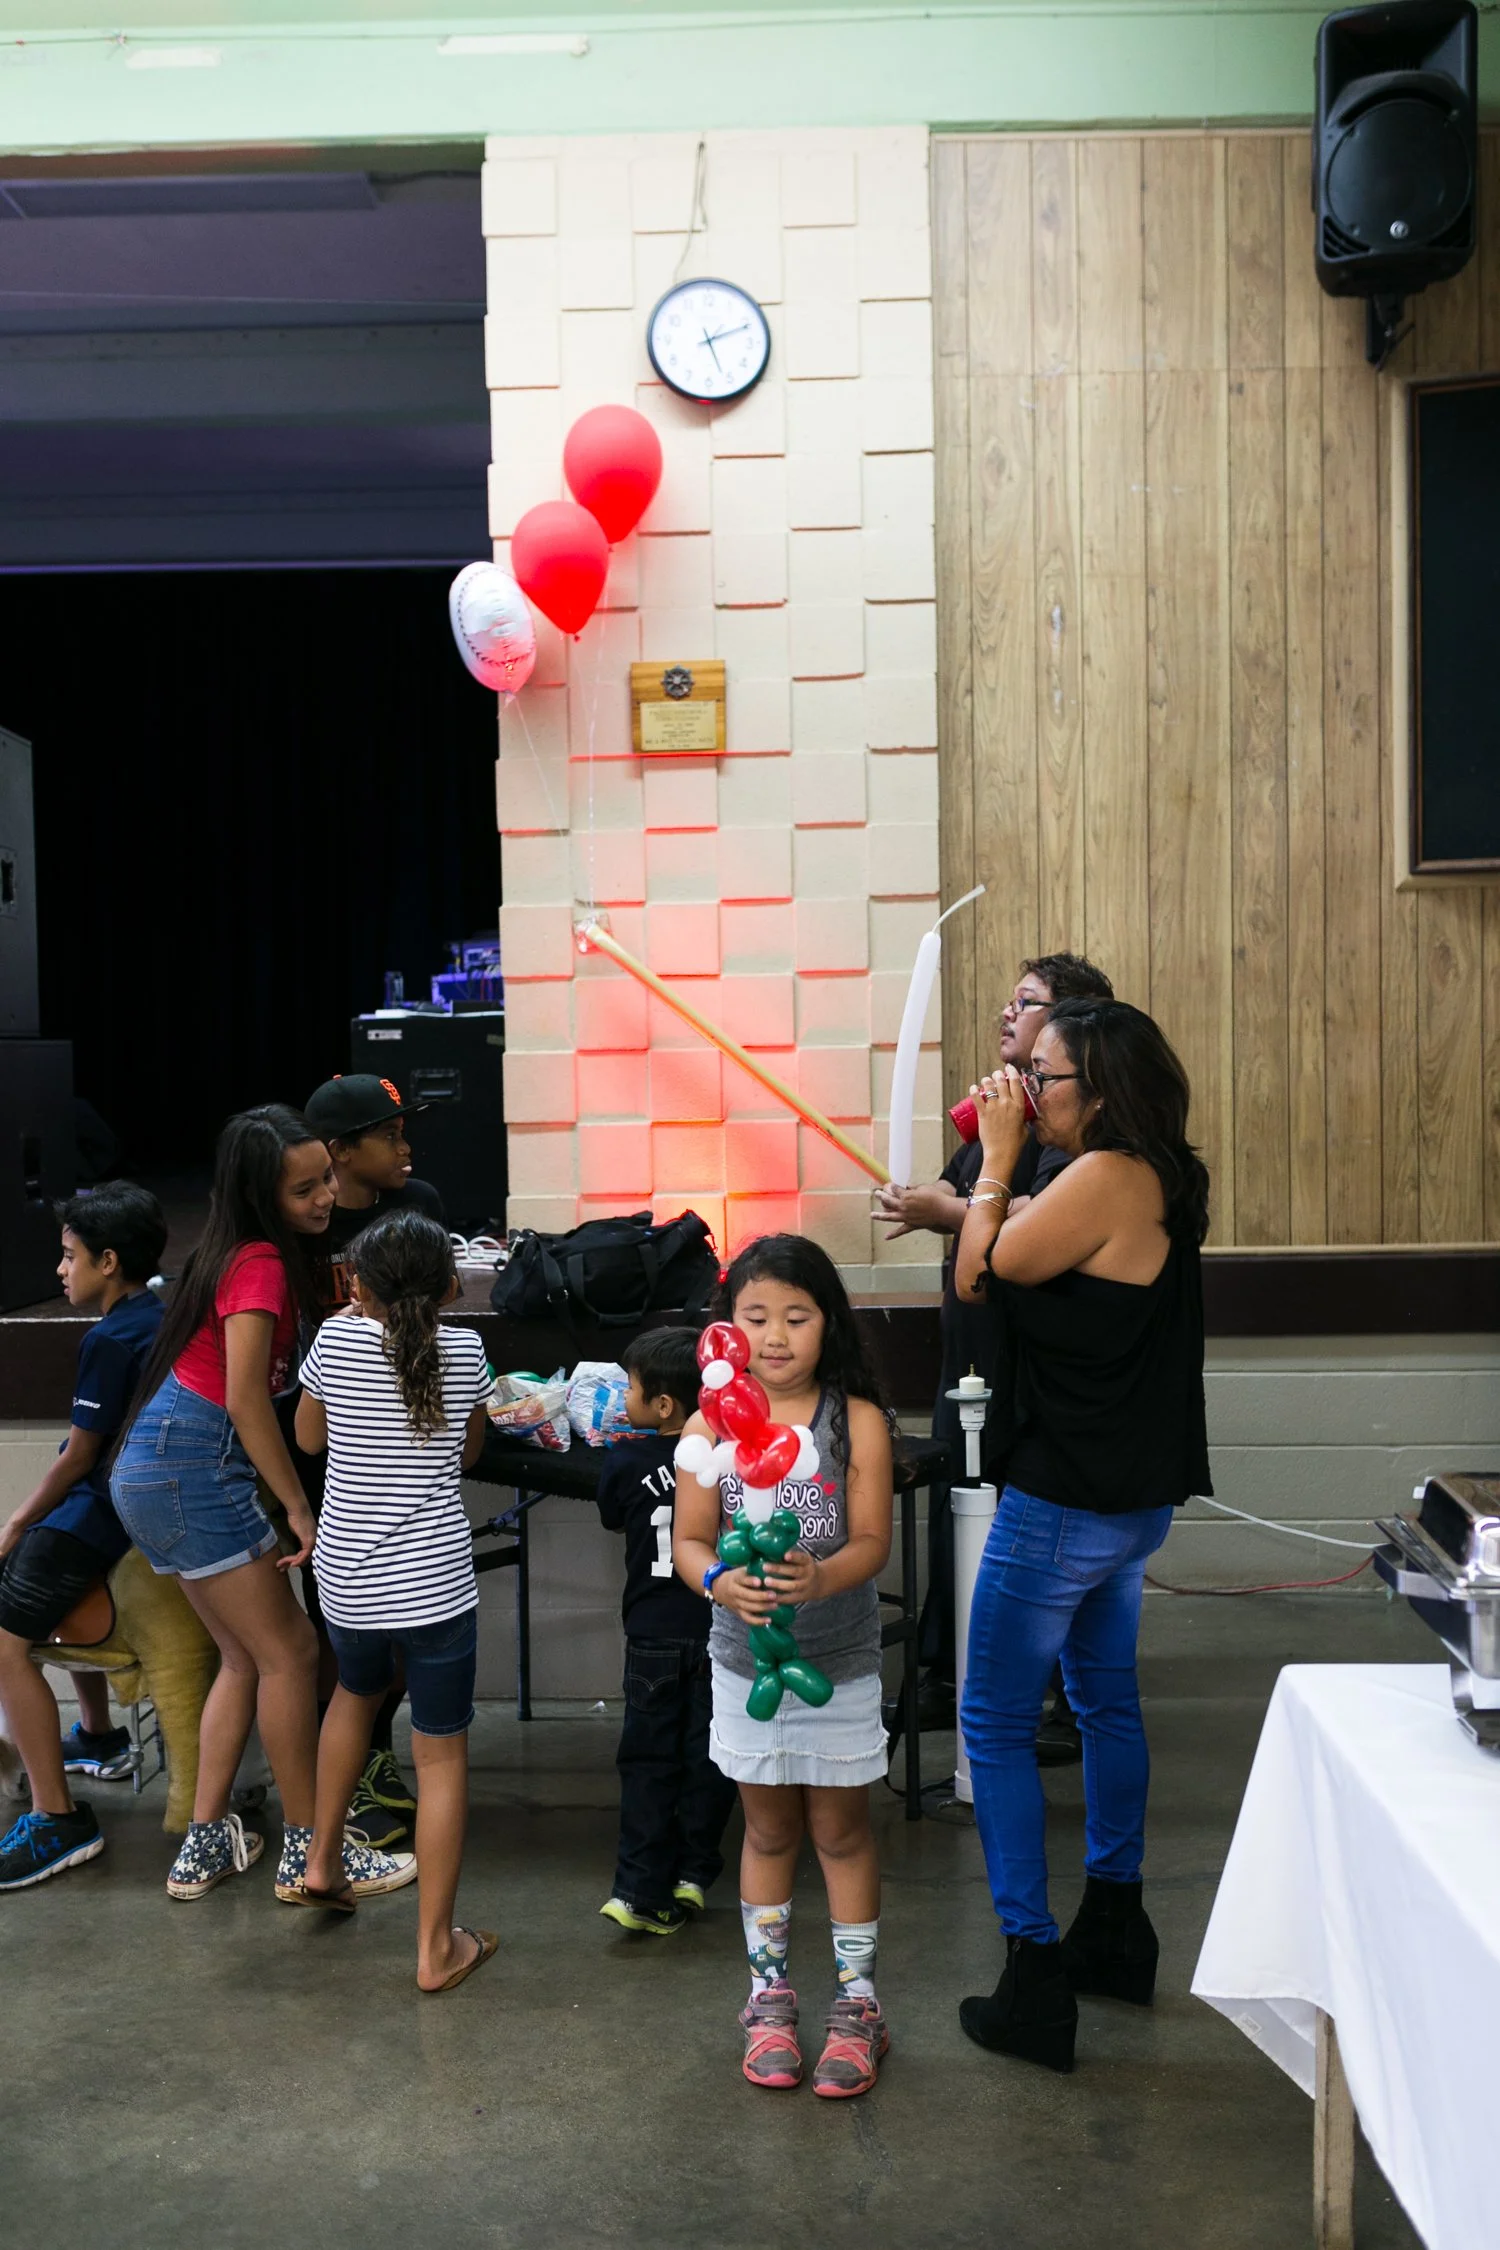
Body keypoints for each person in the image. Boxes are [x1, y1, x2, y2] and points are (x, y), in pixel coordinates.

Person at [951, 999, 1211, 2073]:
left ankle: (1032, 1975)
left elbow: (979, 1274)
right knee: (1106, 1703)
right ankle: (1114, 1924)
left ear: (1098, 1092)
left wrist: (995, 1159)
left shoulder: (1100, 1174)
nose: (1026, 1088)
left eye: (1044, 1076)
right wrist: (1012, 1175)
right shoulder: (1162, 1172)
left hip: (1062, 1505)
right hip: (1129, 1501)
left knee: (992, 1722)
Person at [110, 1105, 414, 1906]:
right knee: (292, 1655)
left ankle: (204, 1844)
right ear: (259, 1194)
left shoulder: (231, 1253)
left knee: (244, 1659)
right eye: (303, 1189)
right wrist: (298, 1508)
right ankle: (312, 1851)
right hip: (190, 1470)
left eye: (326, 1180)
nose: (324, 1198)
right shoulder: (260, 1263)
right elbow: (246, 1400)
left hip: (151, 1472)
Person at [673, 1235, 895, 2100]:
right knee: (766, 1832)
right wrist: (719, 1584)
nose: (774, 1336)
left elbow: (870, 1541)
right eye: (755, 1317)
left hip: (839, 1662)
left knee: (840, 1832)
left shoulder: (855, 1421)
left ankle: (859, 2005)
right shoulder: (708, 1427)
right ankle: (768, 2000)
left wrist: (821, 1577)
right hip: (743, 1666)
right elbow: (690, 1543)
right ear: (726, 1328)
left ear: (828, 1323)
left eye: (796, 1317)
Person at [875, 954, 1114, 1751]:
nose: (1007, 1013)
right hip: (971, 1351)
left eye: (1029, 1002)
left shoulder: (1076, 1131)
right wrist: (926, 1202)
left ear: (1073, 1026)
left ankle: (1057, 1700)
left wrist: (947, 1212)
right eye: (1010, 1001)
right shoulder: (1001, 1113)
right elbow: (963, 1190)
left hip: (1030, 1357)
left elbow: (1032, 1218)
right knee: (960, 1504)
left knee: (1031, 1528)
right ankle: (951, 1673)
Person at [294, 1208, 493, 1990]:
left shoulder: (335, 1341)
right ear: (449, 1287)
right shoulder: (465, 1350)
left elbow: (309, 1439)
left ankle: (321, 1861)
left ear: (361, 1287)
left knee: (354, 1694)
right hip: (434, 1586)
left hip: (346, 1583)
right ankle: (436, 1949)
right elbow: (469, 1452)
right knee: (439, 1755)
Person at [293, 1072, 447, 1848]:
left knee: (402, 1627)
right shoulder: (297, 1228)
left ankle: (375, 1754)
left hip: (404, 1451)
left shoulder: (418, 1207)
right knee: (338, 1634)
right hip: (327, 1455)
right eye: (388, 1134)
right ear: (340, 1151)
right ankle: (348, 1779)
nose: (404, 1146)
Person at [0, 1185, 167, 1888]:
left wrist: (16, 1522)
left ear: (109, 1260)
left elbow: (78, 1458)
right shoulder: (161, 1313)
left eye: (70, 1256)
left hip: (97, 1515)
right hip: (126, 1505)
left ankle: (58, 1818)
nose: (60, 1270)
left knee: (6, 1647)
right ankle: (97, 1737)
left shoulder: (109, 1339)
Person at [596, 1327, 738, 1938]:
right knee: (710, 1758)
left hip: (651, 1638)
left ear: (662, 1405)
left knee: (647, 1761)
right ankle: (693, 1873)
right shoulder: (726, 1457)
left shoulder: (625, 1461)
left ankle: (637, 1889)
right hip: (716, 1629)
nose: (621, 1397)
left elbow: (610, 1515)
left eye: (629, 1388)